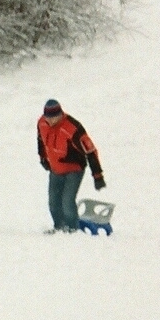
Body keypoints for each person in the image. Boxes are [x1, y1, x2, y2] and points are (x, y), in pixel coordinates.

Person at [36, 98, 104, 234]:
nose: (50, 121)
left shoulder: (72, 128)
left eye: (54, 117)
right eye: (47, 117)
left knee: (67, 202)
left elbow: (90, 151)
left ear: (60, 114)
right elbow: (40, 141)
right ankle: (60, 228)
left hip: (74, 170)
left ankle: (73, 230)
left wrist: (98, 176)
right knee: (53, 203)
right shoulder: (42, 123)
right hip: (55, 169)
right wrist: (43, 158)